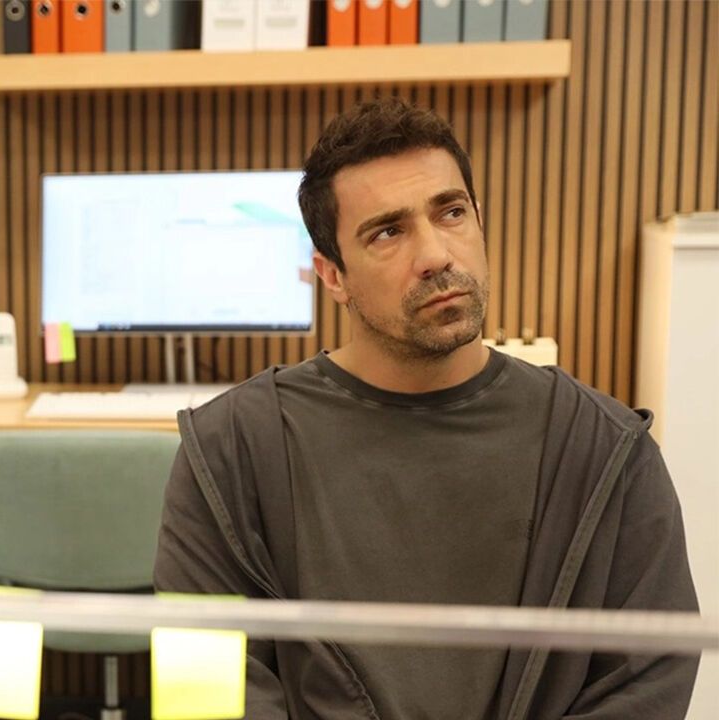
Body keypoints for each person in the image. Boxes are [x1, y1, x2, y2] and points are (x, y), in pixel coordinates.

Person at [153, 98, 699, 719]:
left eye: (451, 212)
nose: (437, 254)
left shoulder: (605, 450)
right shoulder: (229, 449)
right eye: (388, 231)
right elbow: (207, 690)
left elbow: (646, 680)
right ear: (332, 276)